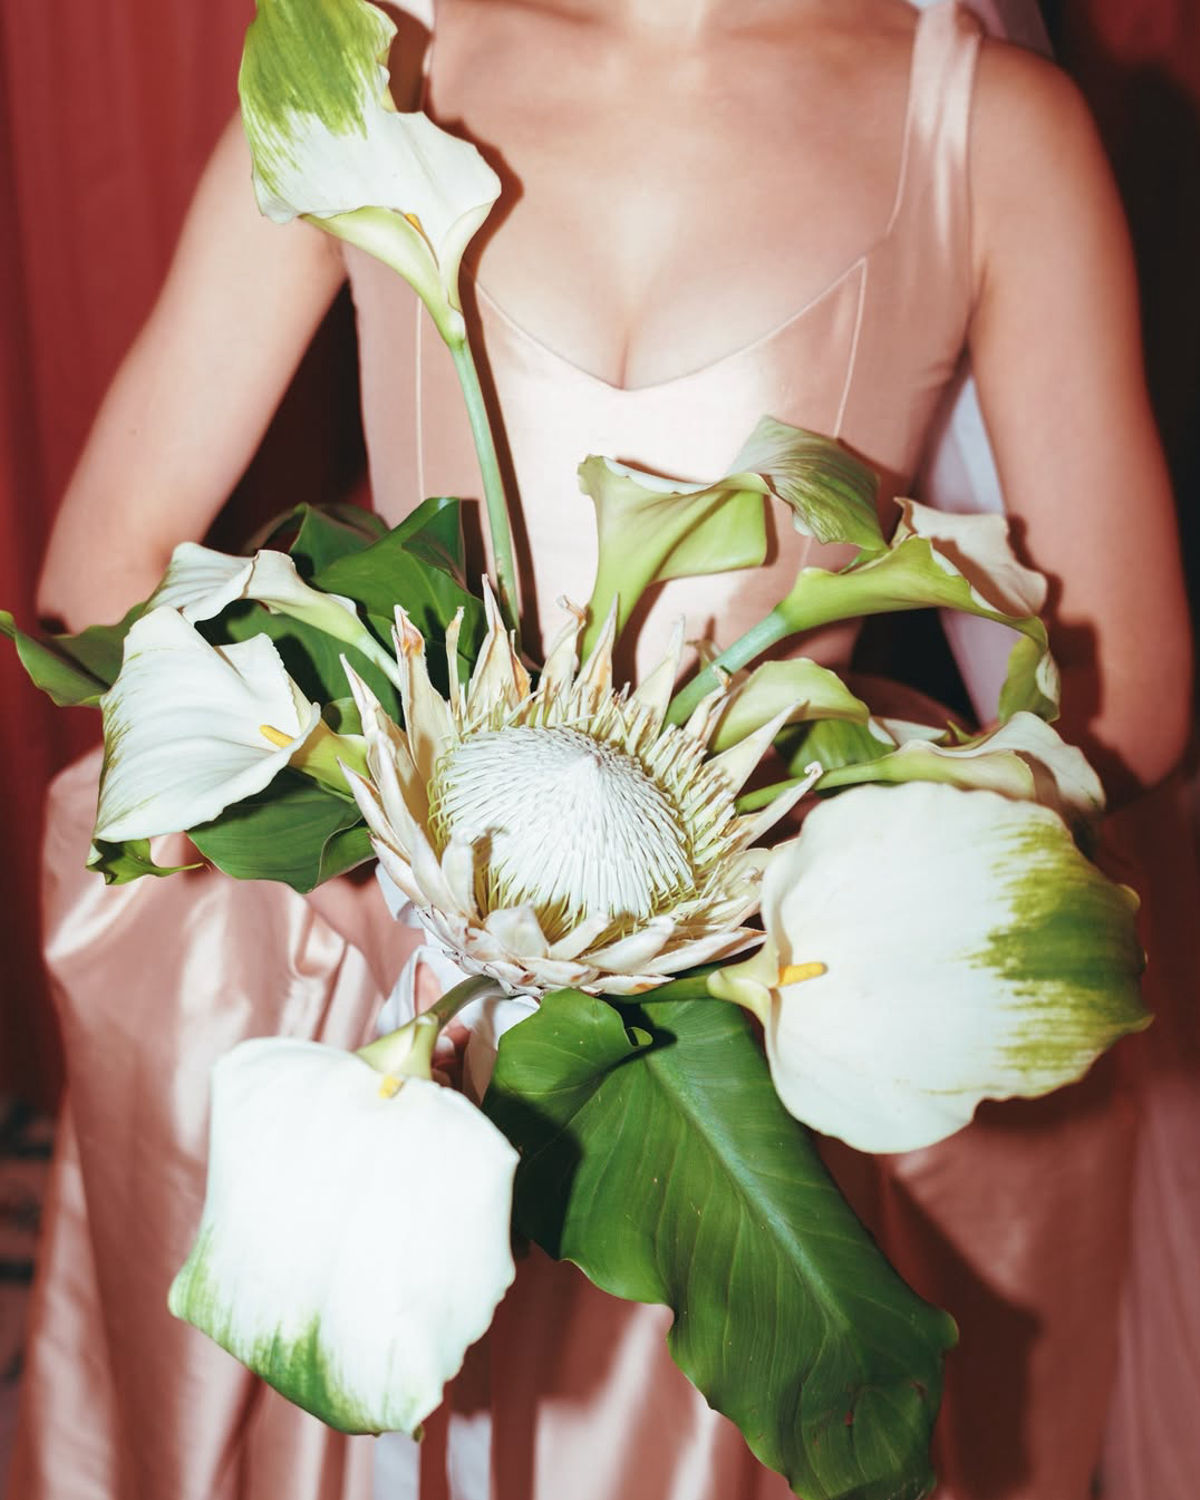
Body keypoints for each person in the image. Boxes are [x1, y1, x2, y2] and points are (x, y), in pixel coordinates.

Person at [11, 1, 1194, 1498]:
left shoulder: (993, 130)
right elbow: (97, 581)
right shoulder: (375, 49)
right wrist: (341, 787)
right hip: (380, 938)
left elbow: (1130, 696)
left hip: (735, 972)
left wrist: (792, 859)